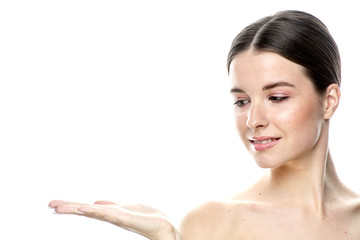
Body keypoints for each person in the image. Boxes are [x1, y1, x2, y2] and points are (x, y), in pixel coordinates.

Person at [49, 10, 360, 239]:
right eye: (242, 101)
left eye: (277, 97)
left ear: (329, 100)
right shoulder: (214, 224)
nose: (253, 120)